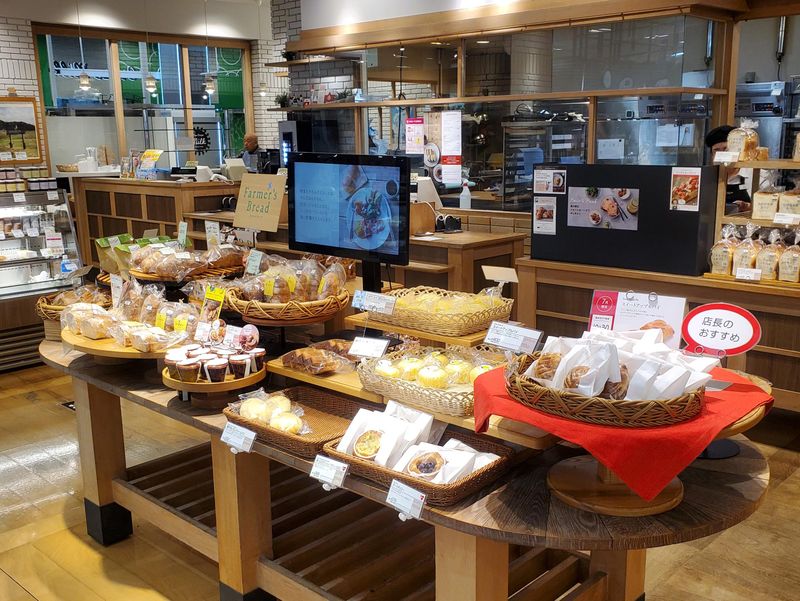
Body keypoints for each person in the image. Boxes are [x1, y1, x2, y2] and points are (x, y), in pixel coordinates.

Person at [705, 125, 752, 214]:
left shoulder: (756, 175)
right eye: (716, 150)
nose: (722, 155)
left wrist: (748, 207)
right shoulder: (707, 178)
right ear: (712, 155)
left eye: (726, 149)